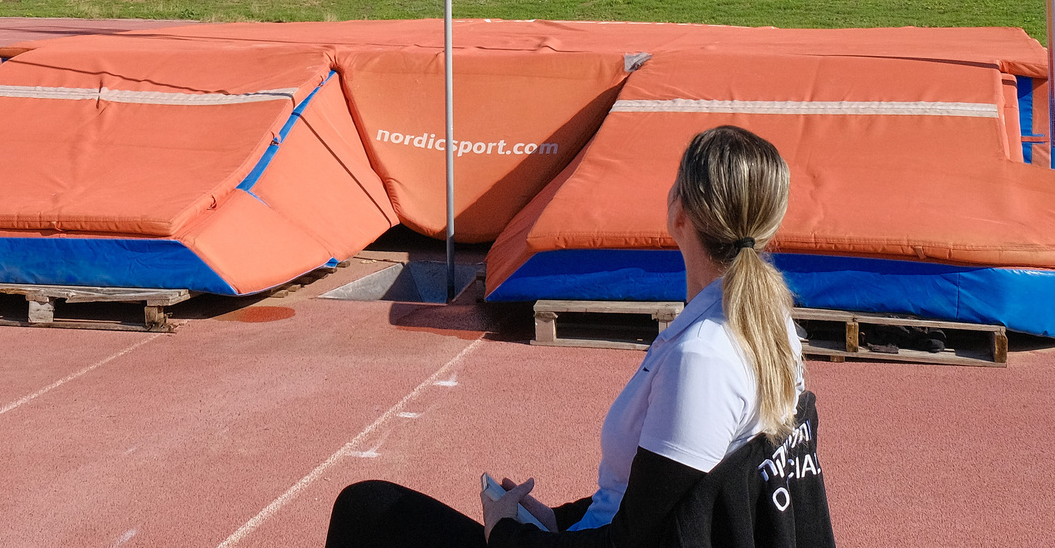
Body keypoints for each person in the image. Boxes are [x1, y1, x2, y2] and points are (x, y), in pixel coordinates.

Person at [324, 126, 833, 547]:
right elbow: (662, 496)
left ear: (679, 214)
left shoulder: (705, 356)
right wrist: (557, 519)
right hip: (619, 529)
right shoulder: (770, 325)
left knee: (365, 509)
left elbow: (632, 539)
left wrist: (508, 534)